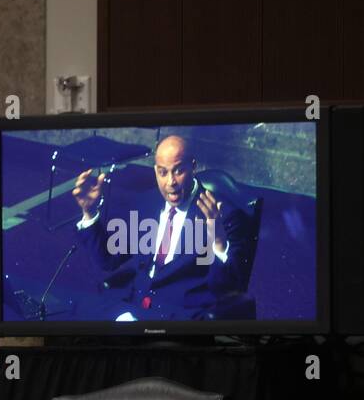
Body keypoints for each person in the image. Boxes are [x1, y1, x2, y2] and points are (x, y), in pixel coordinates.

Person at [71, 134, 257, 321]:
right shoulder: (146, 203)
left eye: (178, 171)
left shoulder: (223, 215)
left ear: (193, 166)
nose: (170, 183)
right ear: (155, 171)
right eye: (163, 172)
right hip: (134, 307)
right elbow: (108, 260)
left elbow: (231, 290)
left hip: (181, 318)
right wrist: (89, 213)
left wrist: (218, 242)